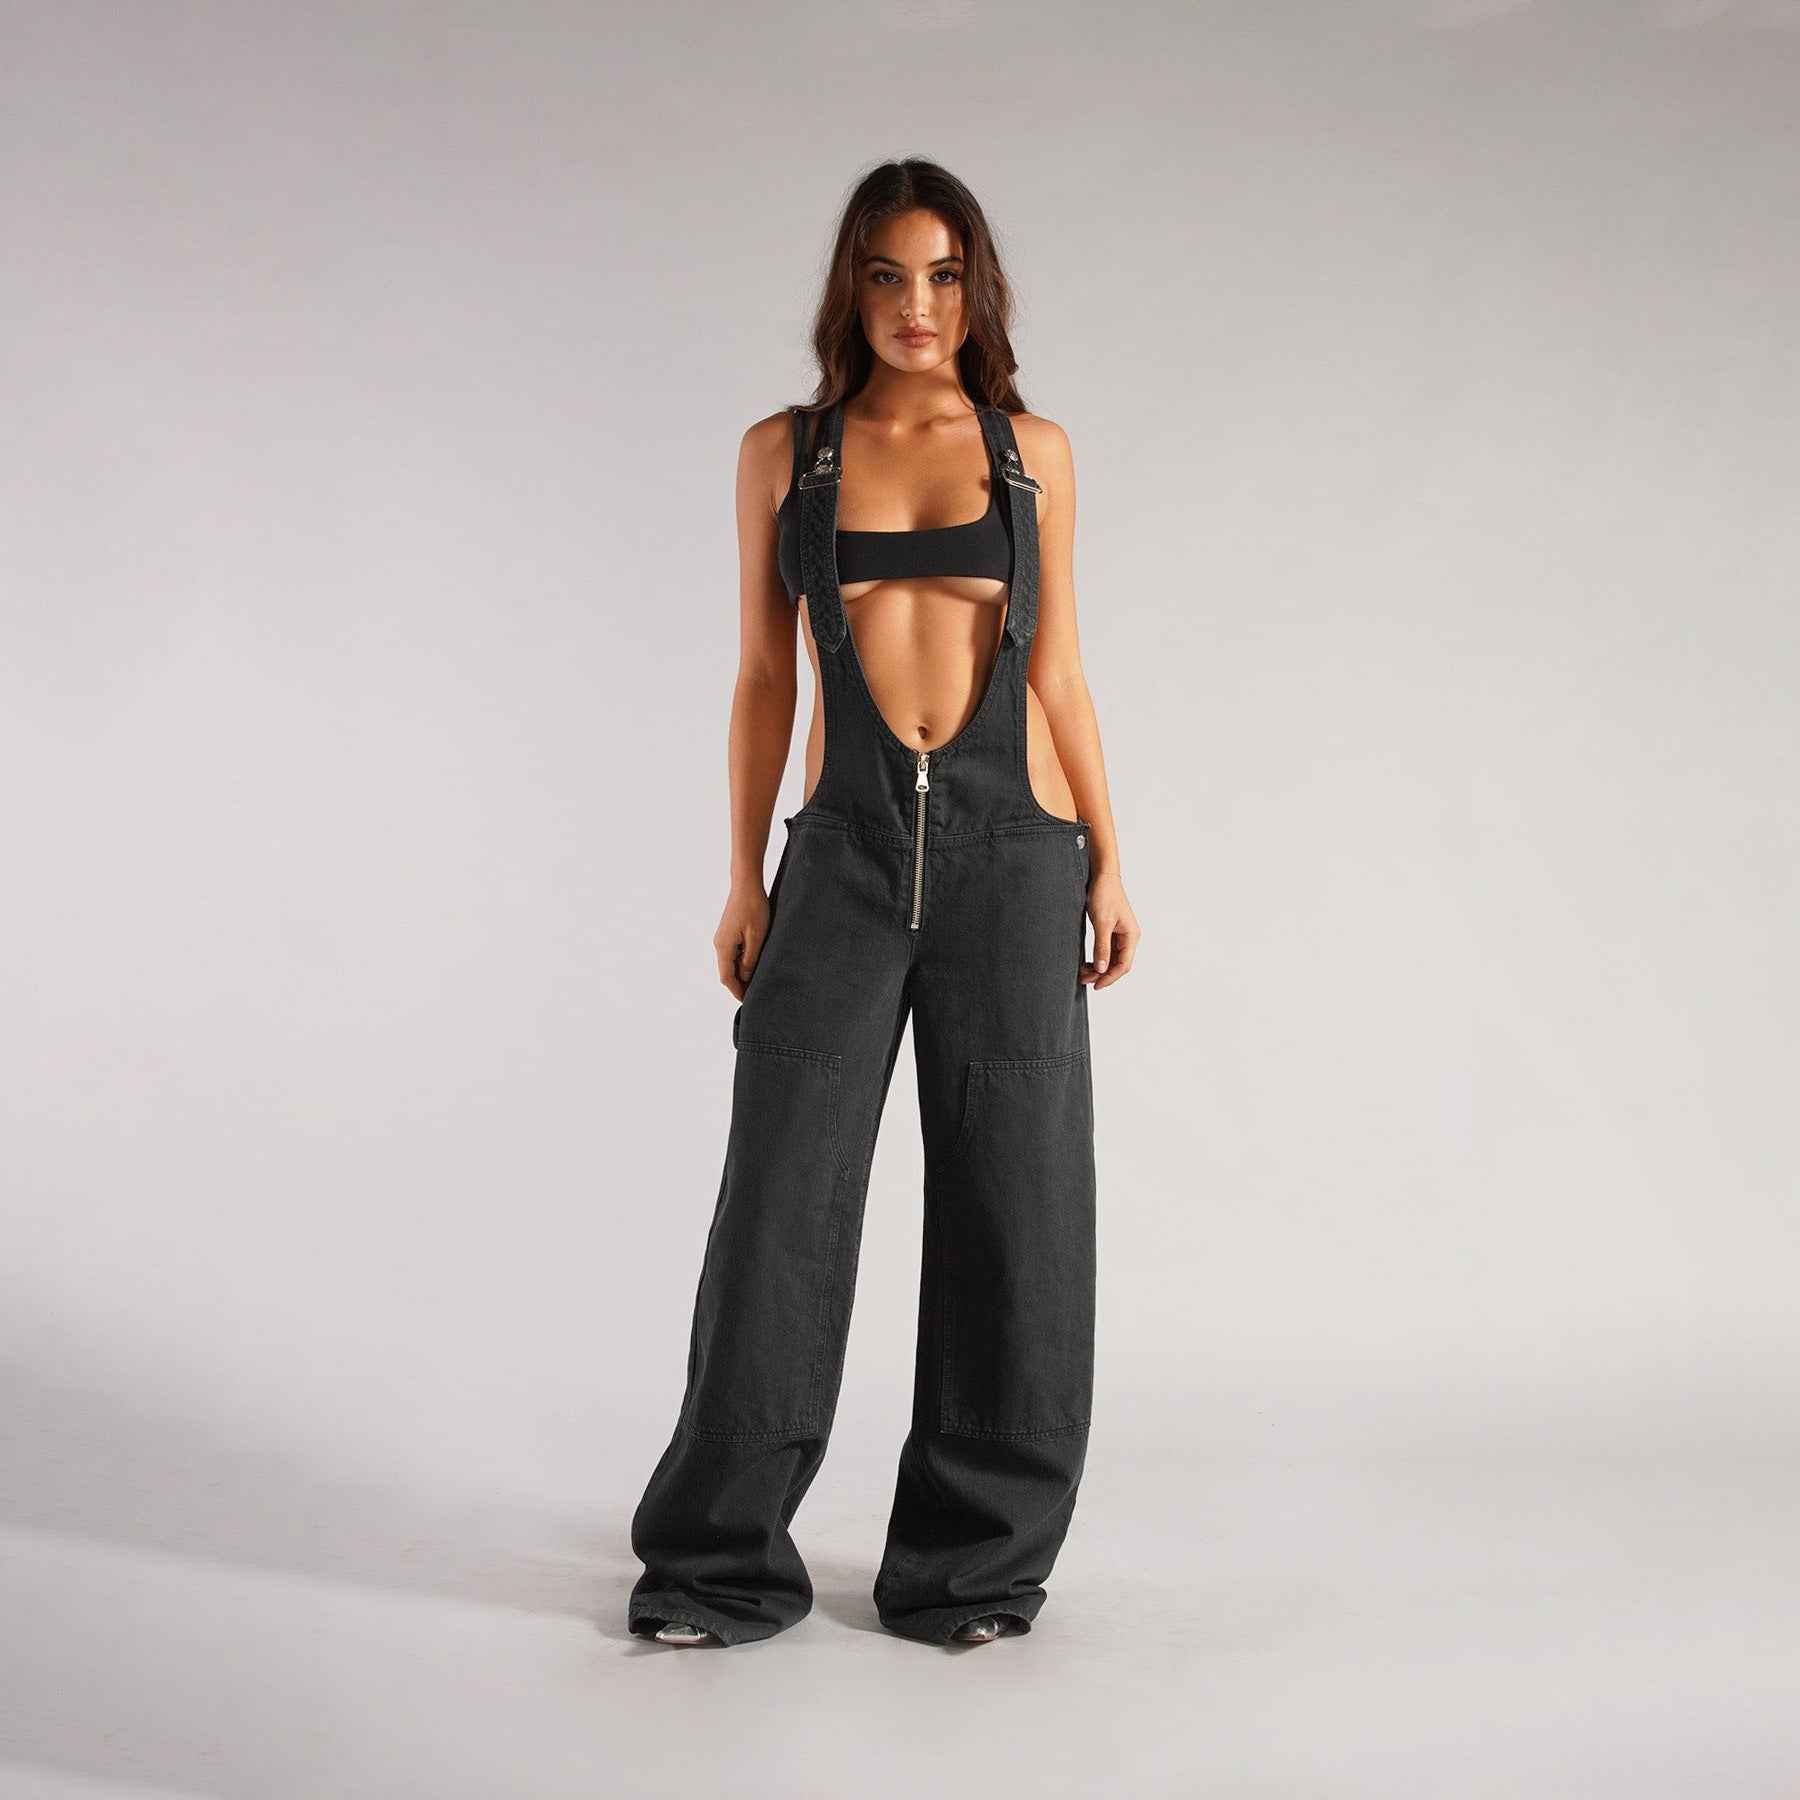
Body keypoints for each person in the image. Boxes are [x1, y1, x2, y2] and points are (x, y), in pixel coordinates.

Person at [626, 158, 1141, 1649]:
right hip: (842, 856)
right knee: (779, 1206)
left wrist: (1110, 856)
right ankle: (717, 1565)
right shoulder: (784, 453)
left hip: (1014, 856)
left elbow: (1061, 671)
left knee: (1017, 1210)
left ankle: (971, 1570)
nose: (918, 306)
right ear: (849, 288)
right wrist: (746, 874)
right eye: (887, 275)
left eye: (945, 276)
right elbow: (763, 675)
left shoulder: (1032, 453)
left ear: (979, 290)